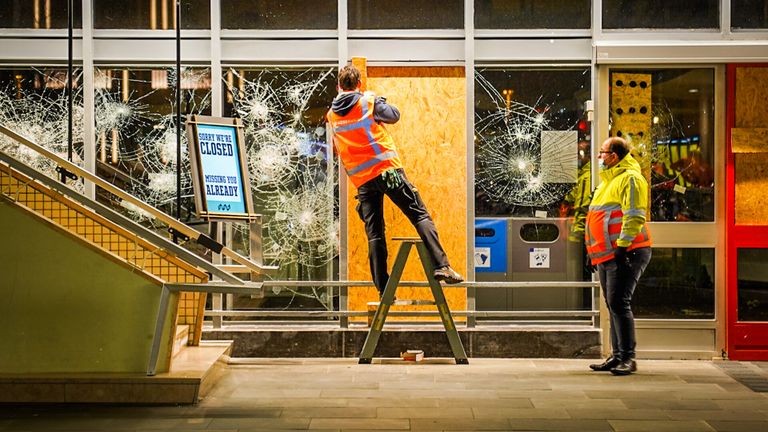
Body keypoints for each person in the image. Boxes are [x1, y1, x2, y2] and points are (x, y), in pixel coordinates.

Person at [326, 64, 463, 297]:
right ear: (359, 84)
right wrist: (377, 99)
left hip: (363, 181)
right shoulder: (368, 102)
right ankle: (442, 266)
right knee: (419, 215)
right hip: (388, 172)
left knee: (375, 234)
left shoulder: (331, 115)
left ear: (339, 86)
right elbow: (395, 115)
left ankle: (383, 288)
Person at [582, 137, 652, 376]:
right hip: (607, 255)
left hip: (627, 252)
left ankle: (627, 358)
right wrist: (591, 253)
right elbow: (597, 220)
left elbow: (634, 216)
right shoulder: (607, 182)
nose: (599, 157)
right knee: (613, 305)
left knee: (620, 303)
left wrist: (622, 247)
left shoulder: (631, 179)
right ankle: (616, 356)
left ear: (614, 156)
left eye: (602, 153)